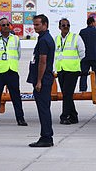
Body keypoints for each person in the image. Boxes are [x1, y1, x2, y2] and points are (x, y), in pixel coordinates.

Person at [0, 18, 27, 127]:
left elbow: (18, 55)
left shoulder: (16, 39)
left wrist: (11, 64)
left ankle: (20, 119)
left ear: (10, 26)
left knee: (16, 97)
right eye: (3, 25)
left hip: (12, 71)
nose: (5, 27)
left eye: (7, 25)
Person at [27, 14, 55, 147]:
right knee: (44, 108)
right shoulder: (45, 38)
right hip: (46, 79)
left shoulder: (44, 40)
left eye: (37, 24)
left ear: (45, 25)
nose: (35, 27)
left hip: (43, 80)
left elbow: (42, 61)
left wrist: (38, 81)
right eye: (34, 24)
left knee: (43, 109)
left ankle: (46, 137)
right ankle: (47, 135)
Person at [55, 18, 85, 125]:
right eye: (63, 25)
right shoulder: (56, 39)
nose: (66, 27)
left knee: (67, 94)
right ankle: (74, 116)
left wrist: (74, 63)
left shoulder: (76, 38)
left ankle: (64, 116)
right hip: (61, 70)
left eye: (68, 25)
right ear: (59, 27)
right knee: (66, 94)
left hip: (72, 70)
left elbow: (82, 53)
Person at [79, 16, 96, 91]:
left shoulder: (82, 32)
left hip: (84, 58)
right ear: (92, 23)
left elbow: (79, 45)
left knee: (83, 75)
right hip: (95, 57)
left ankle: (83, 90)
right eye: (95, 22)